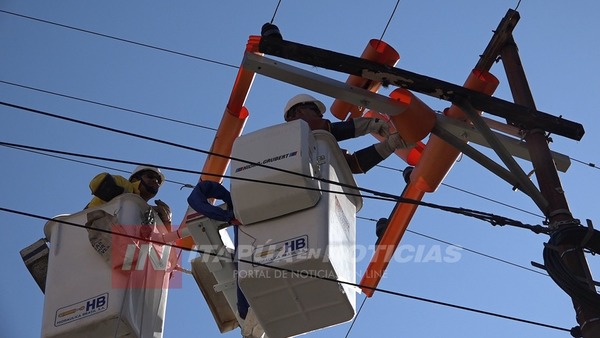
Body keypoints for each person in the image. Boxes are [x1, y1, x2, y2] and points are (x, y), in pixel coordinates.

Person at [284, 94, 412, 174]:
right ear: (298, 112)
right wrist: (371, 124)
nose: (320, 115)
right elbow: (324, 128)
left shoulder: (319, 147)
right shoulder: (291, 135)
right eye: (315, 110)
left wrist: (389, 146)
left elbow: (353, 165)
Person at [86, 165, 172, 229]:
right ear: (135, 180)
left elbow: (164, 244)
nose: (155, 181)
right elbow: (97, 183)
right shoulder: (125, 186)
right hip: (85, 225)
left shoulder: (145, 214)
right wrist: (116, 190)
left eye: (158, 181)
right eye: (150, 176)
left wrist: (166, 222)